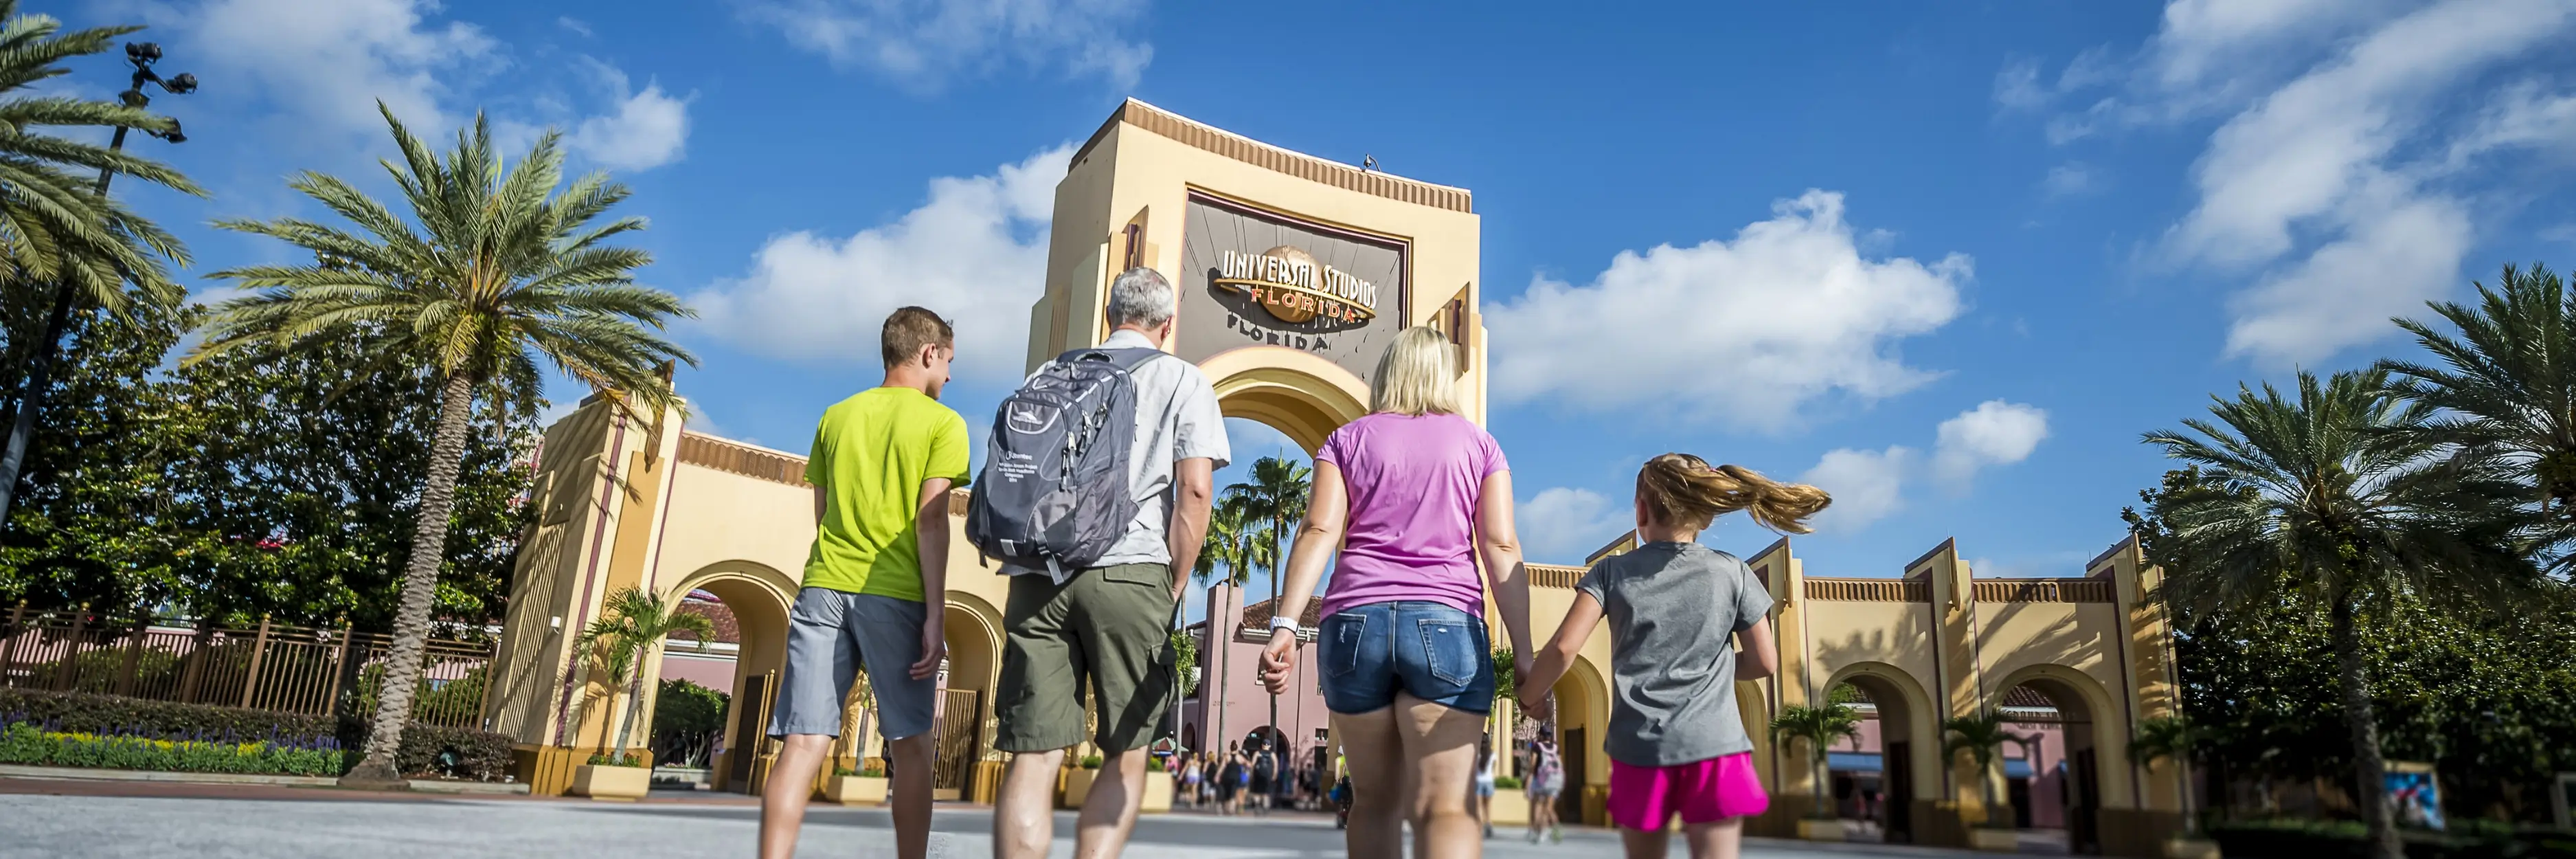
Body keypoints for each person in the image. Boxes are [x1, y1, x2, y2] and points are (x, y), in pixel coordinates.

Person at [1257, 325, 1539, 859]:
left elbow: (1318, 531)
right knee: (1445, 807)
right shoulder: (1479, 444)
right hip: (1446, 623)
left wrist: (1286, 625)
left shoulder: (1345, 440)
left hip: (1353, 626)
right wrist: (1524, 653)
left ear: (1387, 374)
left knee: (1373, 801)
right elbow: (1500, 545)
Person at [991, 267, 1230, 859]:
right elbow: (1195, 492)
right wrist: (1174, 580)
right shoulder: (1181, 378)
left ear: (1108, 316)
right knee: (1127, 751)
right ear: (1168, 325)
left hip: (1038, 574)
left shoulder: (1051, 372)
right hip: (1132, 570)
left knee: (1034, 755)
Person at [1519, 454, 1817, 859]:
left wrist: (1530, 695)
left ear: (1640, 511)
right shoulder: (1733, 572)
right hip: (1717, 747)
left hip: (1639, 750)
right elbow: (1765, 662)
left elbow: (1562, 648)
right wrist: (1707, 670)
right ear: (1706, 515)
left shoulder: (1610, 573)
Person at [759, 307, 970, 859]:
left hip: (823, 585)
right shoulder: (943, 424)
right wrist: (935, 613)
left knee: (802, 745)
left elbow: (824, 512)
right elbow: (930, 521)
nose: (949, 376)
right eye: (949, 362)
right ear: (929, 353)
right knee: (912, 745)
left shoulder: (836, 416)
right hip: (896, 594)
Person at [1526, 735, 1564, 843]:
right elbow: (1560, 764)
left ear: (1541, 736)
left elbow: (1533, 763)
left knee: (1539, 806)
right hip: (1555, 780)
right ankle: (1553, 826)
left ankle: (1538, 831)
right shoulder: (1555, 747)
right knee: (1548, 808)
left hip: (1542, 780)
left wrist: (1531, 775)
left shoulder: (1538, 746)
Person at [1474, 737, 1498, 838]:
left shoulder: (1476, 755)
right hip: (1489, 782)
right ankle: (1489, 824)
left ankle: (1479, 828)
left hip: (1479, 781)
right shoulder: (1493, 755)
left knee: (1479, 807)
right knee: (1487, 807)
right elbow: (1493, 769)